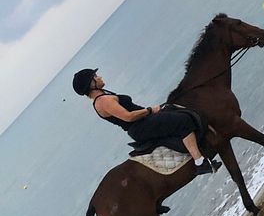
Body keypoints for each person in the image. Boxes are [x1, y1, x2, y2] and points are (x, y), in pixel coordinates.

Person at [72, 69, 220, 175]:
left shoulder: (105, 95)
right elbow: (128, 117)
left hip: (143, 121)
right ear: (91, 84)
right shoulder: (102, 101)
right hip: (140, 126)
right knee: (183, 120)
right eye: (96, 76)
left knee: (174, 108)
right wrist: (150, 110)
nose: (100, 77)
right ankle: (199, 162)